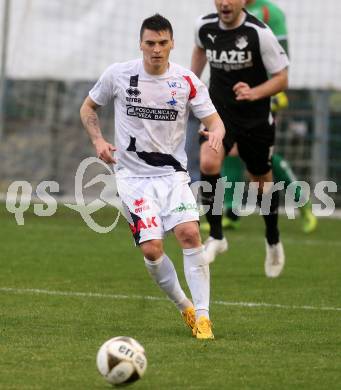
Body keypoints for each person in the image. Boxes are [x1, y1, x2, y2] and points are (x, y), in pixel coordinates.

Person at [80, 14, 225, 339]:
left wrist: (215, 133)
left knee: (189, 234)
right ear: (141, 44)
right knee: (152, 250)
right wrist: (98, 141)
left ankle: (203, 317)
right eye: (150, 43)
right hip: (133, 179)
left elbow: (215, 121)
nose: (156, 50)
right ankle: (184, 306)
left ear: (172, 43)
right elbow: (88, 108)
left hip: (173, 176)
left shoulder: (186, 80)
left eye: (162, 43)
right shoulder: (119, 75)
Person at [192, 0, 289, 277]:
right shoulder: (204, 26)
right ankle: (217, 237)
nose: (224, 2)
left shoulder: (259, 33)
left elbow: (282, 79)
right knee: (208, 161)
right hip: (219, 113)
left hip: (255, 116)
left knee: (260, 179)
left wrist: (254, 92)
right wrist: (191, 85)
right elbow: (200, 49)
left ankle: (272, 238)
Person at [219, 0, 317, 234]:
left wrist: (273, 93)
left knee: (261, 156)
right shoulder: (229, 10)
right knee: (230, 147)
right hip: (236, 93)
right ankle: (231, 212)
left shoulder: (270, 12)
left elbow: (282, 59)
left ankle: (301, 201)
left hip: (263, 94)